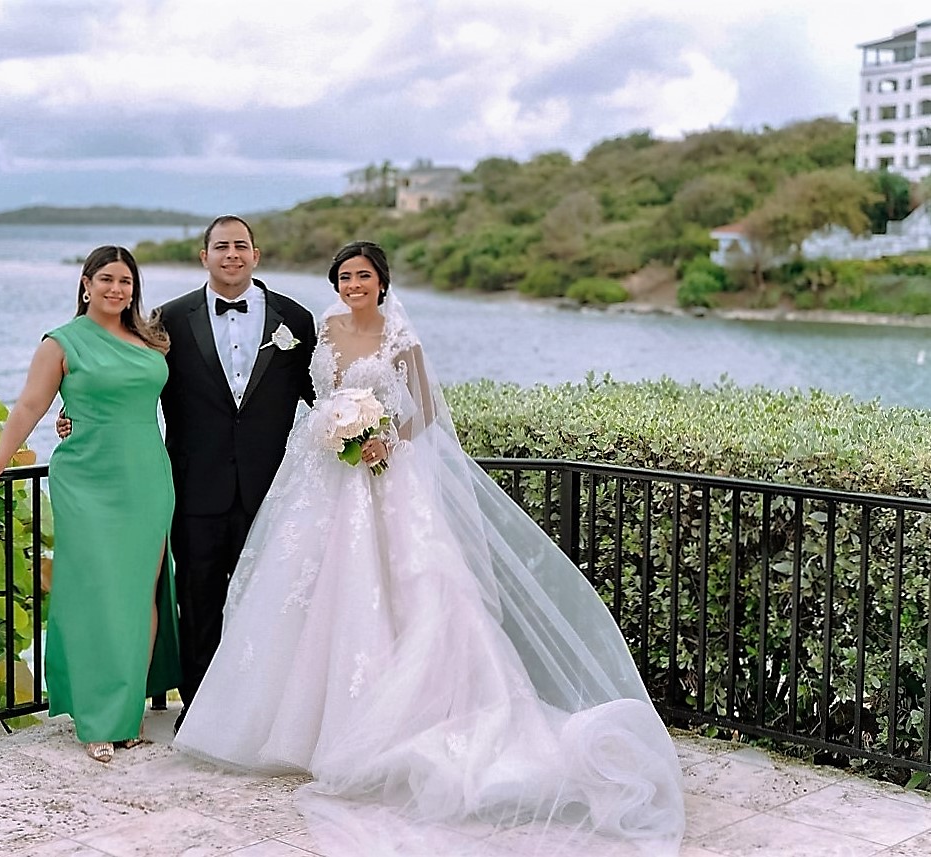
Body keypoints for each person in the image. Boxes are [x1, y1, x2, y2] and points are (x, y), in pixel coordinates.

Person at [173, 241, 686, 854]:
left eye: (363, 276)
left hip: (385, 482)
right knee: (305, 596)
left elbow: (424, 413)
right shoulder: (320, 329)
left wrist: (381, 437)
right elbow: (306, 398)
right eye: (344, 276)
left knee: (408, 594)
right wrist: (329, 430)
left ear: (382, 282)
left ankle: (393, 727)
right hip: (322, 482)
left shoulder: (401, 338)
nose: (352, 284)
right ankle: (296, 730)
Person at [59, 216, 316, 730]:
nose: (231, 255)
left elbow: (322, 393)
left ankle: (262, 710)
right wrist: (79, 421)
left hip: (272, 488)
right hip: (190, 484)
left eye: (241, 246)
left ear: (256, 255)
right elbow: (128, 382)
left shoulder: (297, 319)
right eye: (220, 246)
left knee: (268, 599)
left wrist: (365, 428)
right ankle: (199, 712)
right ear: (204, 257)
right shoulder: (166, 321)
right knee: (197, 602)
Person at [0, 245, 181, 764]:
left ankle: (130, 714)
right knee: (97, 593)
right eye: (106, 279)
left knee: (140, 595)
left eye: (125, 281)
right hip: (88, 480)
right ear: (85, 284)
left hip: (147, 476)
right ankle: (98, 718)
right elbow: (32, 404)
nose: (116, 289)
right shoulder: (61, 342)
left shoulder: (152, 340)